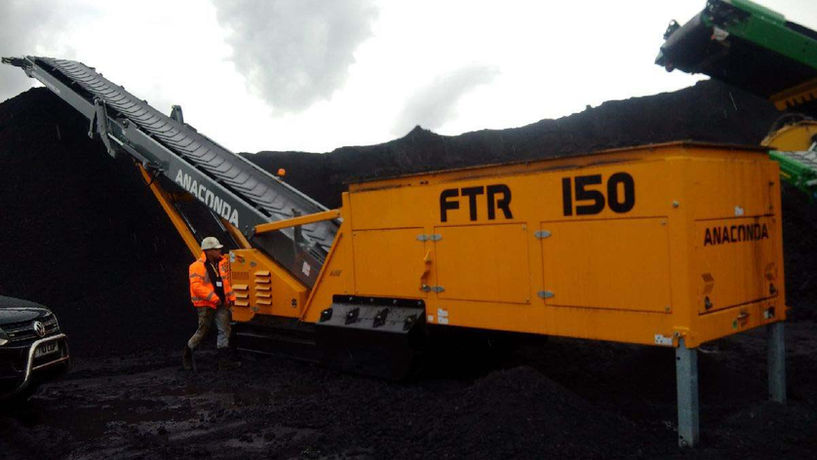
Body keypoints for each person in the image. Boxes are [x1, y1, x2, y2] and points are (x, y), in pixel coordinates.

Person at [183, 236, 240, 371]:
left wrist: (231, 297)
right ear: (208, 251)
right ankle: (187, 354)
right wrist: (214, 298)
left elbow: (226, 283)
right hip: (206, 304)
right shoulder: (196, 267)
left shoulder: (221, 264)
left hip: (221, 304)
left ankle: (224, 362)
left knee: (224, 329)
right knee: (202, 331)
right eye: (216, 249)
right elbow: (196, 287)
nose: (220, 251)